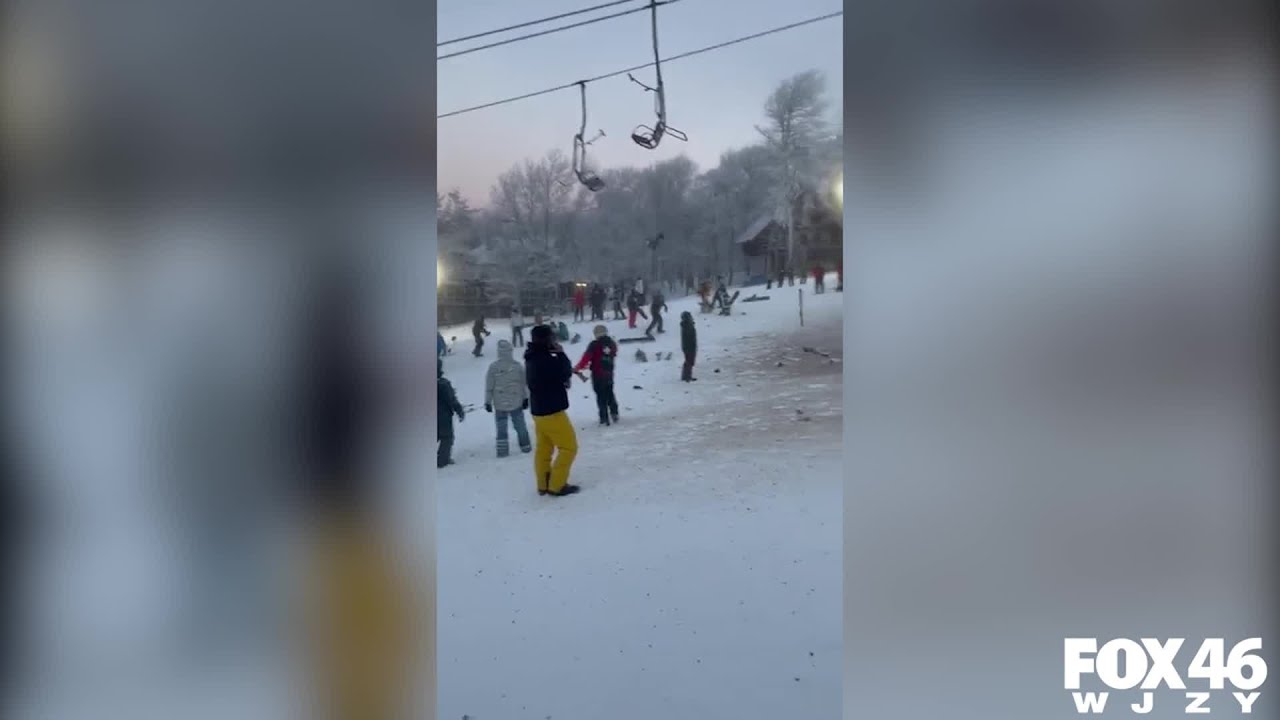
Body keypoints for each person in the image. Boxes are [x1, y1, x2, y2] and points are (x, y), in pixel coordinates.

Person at [524, 325, 580, 496]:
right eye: (552, 338)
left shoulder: (531, 356)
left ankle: (543, 483)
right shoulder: (546, 358)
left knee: (544, 448)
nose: (554, 340)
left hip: (539, 411)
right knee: (569, 447)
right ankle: (557, 485)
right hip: (552, 411)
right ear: (546, 339)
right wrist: (561, 353)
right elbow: (565, 372)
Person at [485, 340, 532, 457]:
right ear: (511, 351)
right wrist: (526, 398)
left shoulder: (493, 367)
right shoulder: (517, 366)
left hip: (499, 402)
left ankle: (502, 451)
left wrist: (487, 402)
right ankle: (525, 446)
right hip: (516, 400)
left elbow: (489, 386)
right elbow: (524, 384)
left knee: (501, 426)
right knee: (520, 425)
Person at [574, 324, 620, 426]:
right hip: (609, 374)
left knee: (601, 396)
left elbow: (586, 358)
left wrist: (577, 368)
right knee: (610, 393)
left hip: (598, 374)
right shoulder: (612, 344)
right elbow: (614, 354)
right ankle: (614, 413)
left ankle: (604, 418)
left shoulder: (594, 345)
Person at [437, 358, 465, 467]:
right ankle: (442, 460)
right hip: (443, 417)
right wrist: (459, 411)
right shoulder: (443, 384)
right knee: (447, 437)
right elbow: (451, 400)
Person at [680, 311, 697, 382]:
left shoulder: (687, 325)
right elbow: (689, 335)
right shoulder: (687, 325)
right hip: (689, 346)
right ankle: (687, 376)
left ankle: (686, 375)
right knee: (689, 361)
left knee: (689, 361)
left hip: (690, 345)